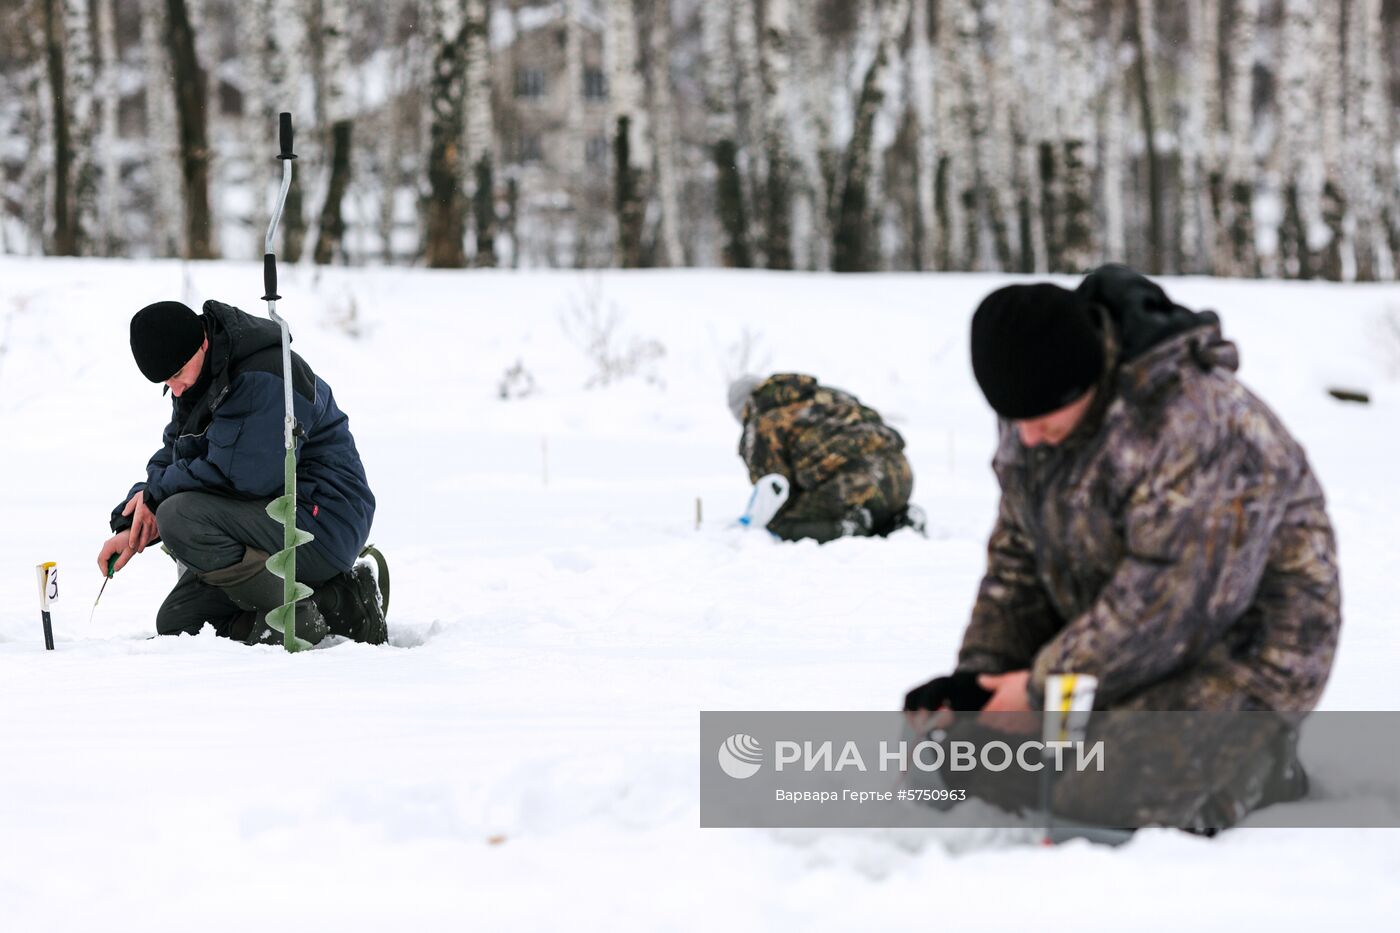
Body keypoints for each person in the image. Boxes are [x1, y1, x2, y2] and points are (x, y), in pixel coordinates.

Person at [904, 264, 1341, 831]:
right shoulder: (1035, 415)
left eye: (1040, 418)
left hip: (1245, 648)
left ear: (1082, 379)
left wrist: (1038, 690)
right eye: (1014, 420)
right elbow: (1016, 564)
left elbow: (1172, 602)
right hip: (1107, 641)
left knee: (1103, 797)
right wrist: (979, 683)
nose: (1026, 437)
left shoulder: (1194, 420)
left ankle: (1258, 762)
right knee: (963, 756)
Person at [96, 299, 386, 646]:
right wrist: (136, 518)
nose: (175, 389)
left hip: (322, 520)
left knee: (178, 516)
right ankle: (335, 603)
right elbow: (176, 454)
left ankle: (316, 613)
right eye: (165, 382)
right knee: (177, 622)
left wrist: (158, 500)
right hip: (267, 516)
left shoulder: (262, 375)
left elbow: (239, 476)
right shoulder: (199, 376)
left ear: (202, 342)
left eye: (176, 375)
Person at [729, 373, 918, 543]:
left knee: (780, 524)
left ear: (743, 407)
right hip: (901, 475)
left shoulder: (763, 421)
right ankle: (902, 520)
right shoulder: (827, 394)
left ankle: (847, 529)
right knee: (866, 503)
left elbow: (774, 487)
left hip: (853, 484)